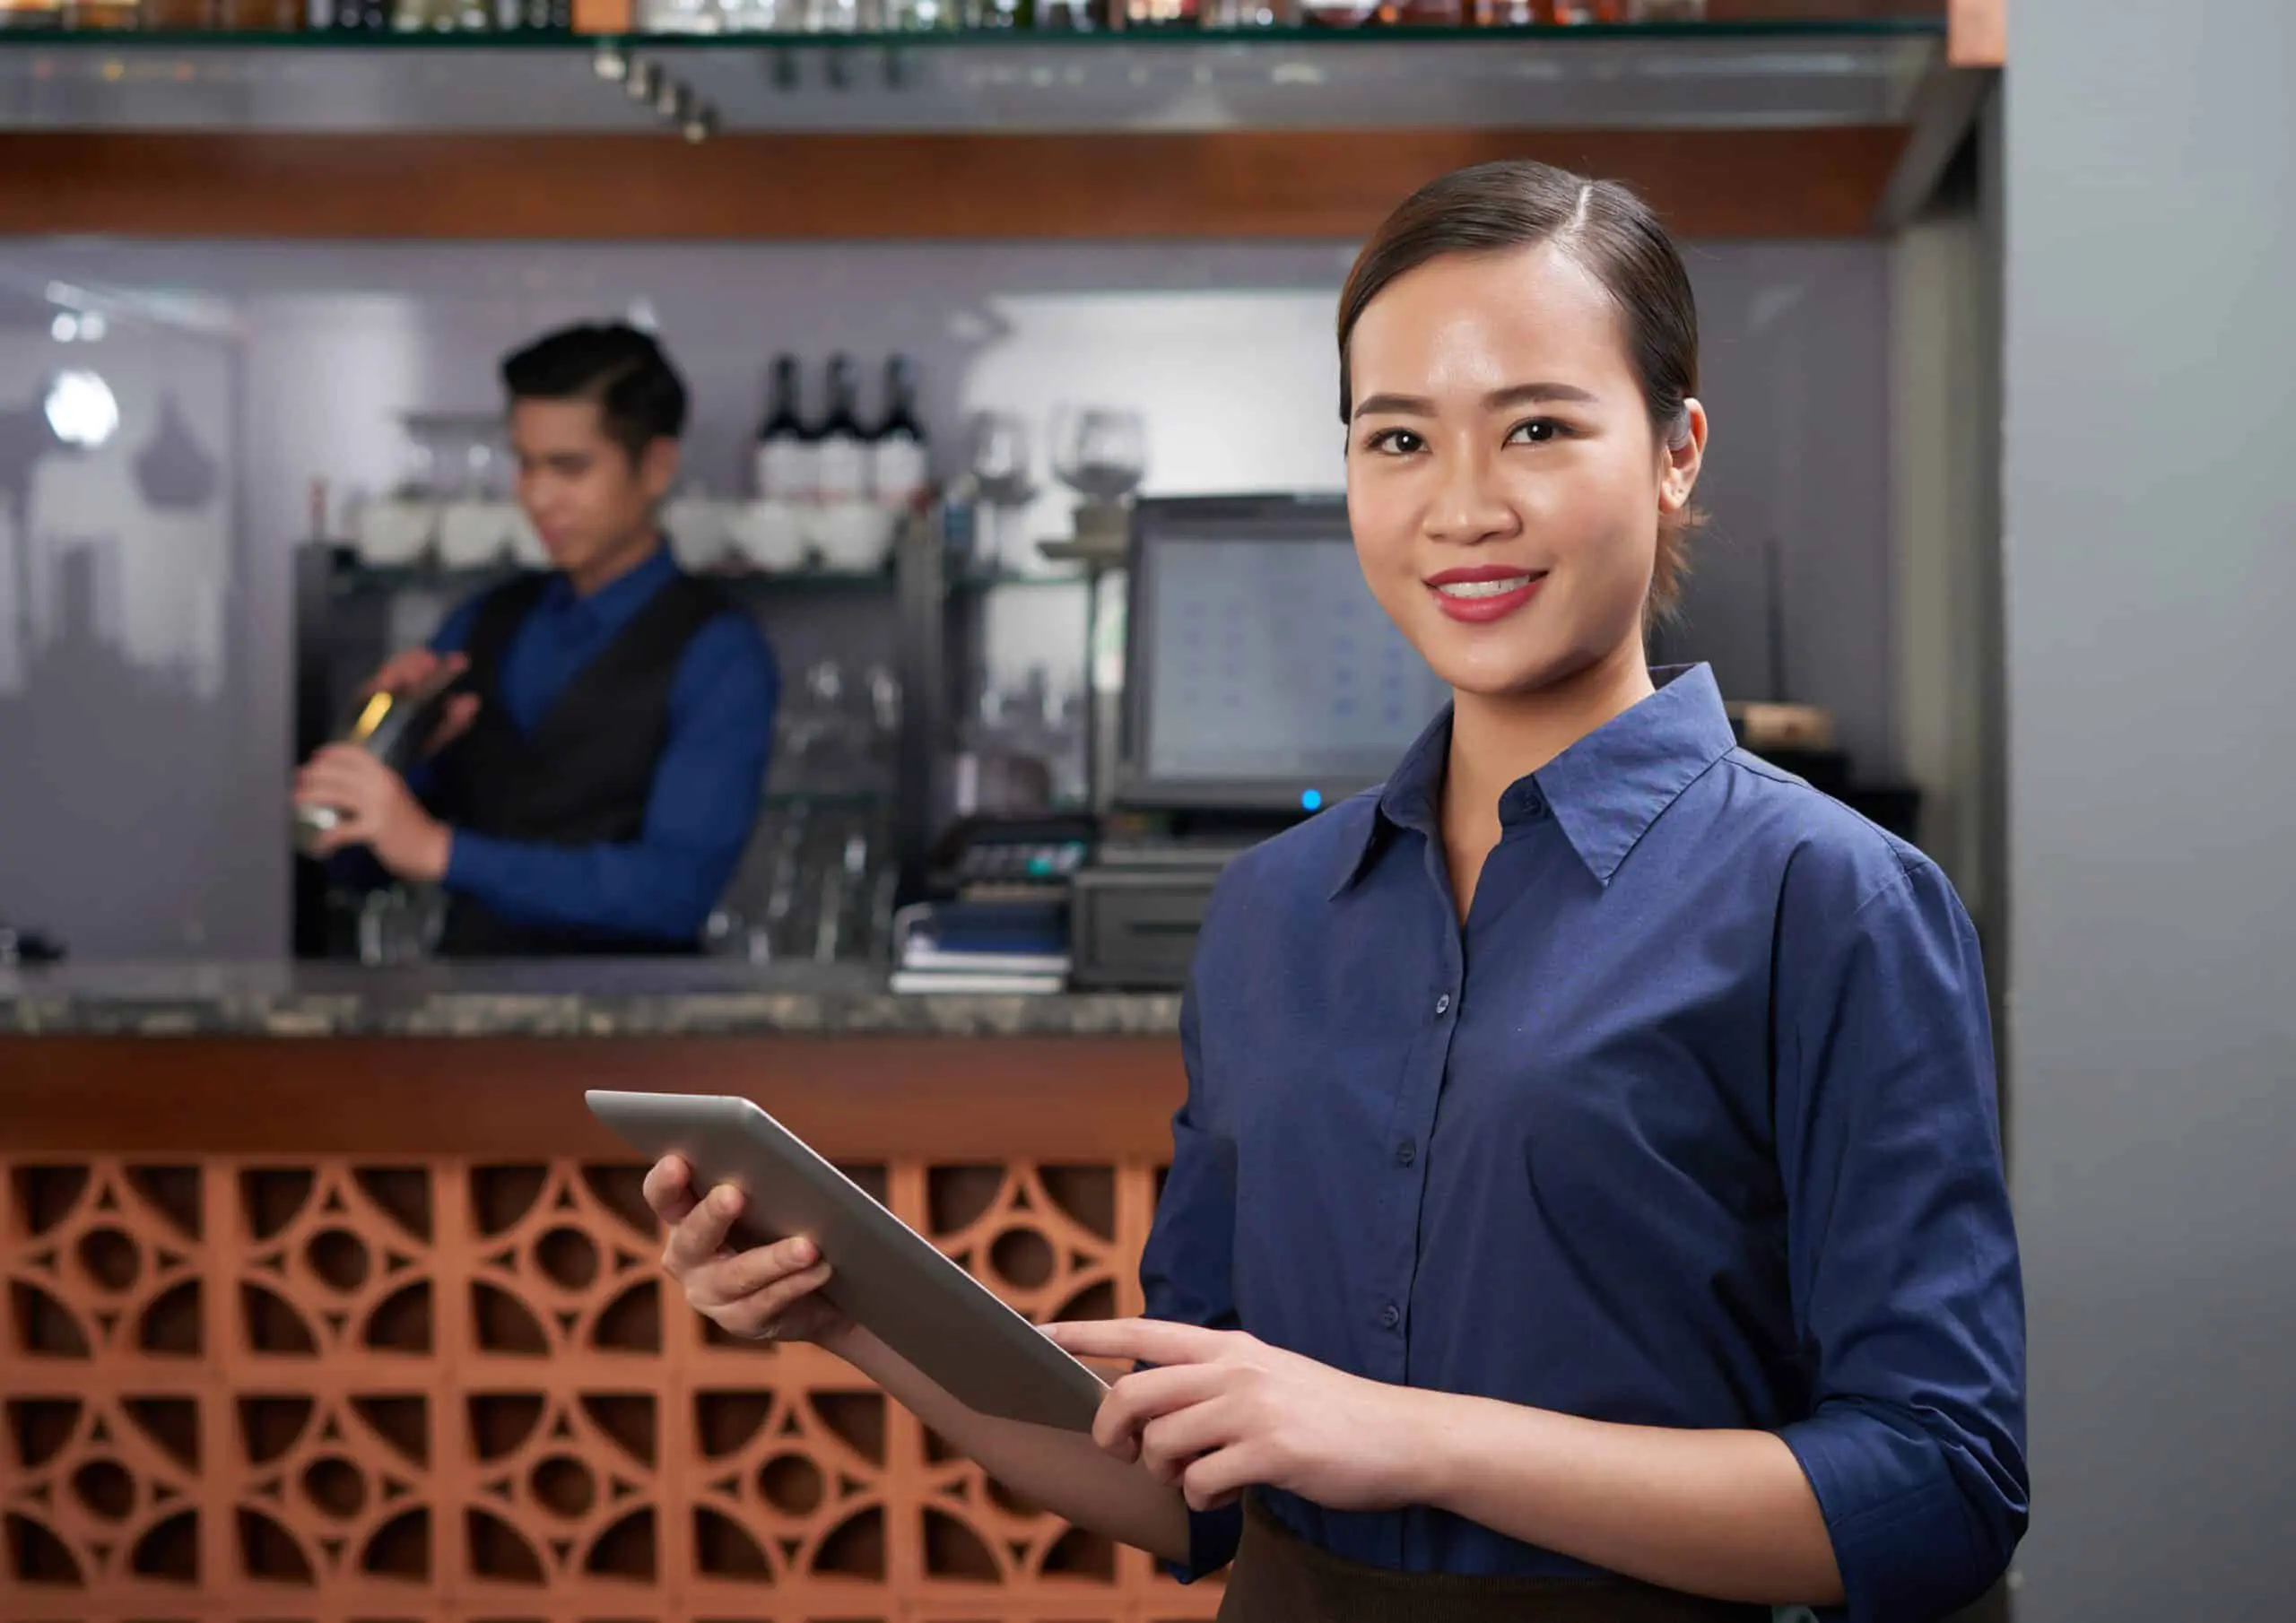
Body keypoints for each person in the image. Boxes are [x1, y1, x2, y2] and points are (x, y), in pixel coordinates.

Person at [639, 160, 2027, 1622]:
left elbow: (1942, 1488)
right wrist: (853, 1315)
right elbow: (1185, 1482)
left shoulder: (1835, 898)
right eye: (1399, 439)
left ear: (1678, 449)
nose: (1464, 506)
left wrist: (1408, 1440)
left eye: (1539, 427)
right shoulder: (1270, 912)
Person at [295, 323, 778, 957]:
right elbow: (353, 868)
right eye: (524, 464)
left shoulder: (721, 652)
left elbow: (673, 893)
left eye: (569, 467)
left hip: (640, 1033)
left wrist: (442, 850)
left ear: (657, 466)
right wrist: (383, 744)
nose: (538, 496)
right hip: (467, 1021)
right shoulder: (482, 623)